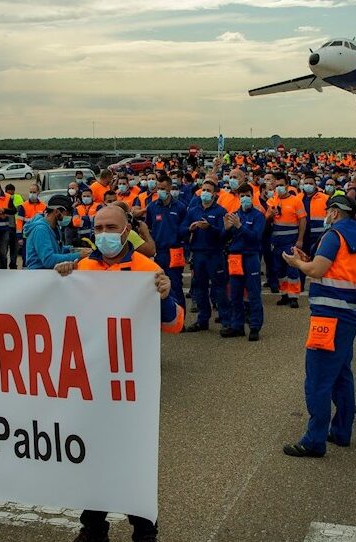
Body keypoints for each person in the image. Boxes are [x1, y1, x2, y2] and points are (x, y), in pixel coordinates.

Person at [54, 205, 183, 542]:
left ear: (127, 231)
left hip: (130, 383)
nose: (103, 234)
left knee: (132, 458)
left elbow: (174, 324)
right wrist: (60, 279)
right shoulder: (82, 268)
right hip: (91, 379)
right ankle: (94, 526)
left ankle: (144, 529)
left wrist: (164, 297)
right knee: (91, 454)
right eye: (98, 228)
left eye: (111, 227)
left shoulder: (148, 269)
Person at [280, 195, 356, 458]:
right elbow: (334, 268)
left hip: (329, 316)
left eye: (328, 210)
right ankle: (341, 431)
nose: (326, 215)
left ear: (335, 212)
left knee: (318, 379)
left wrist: (298, 263)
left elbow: (317, 270)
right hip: (348, 312)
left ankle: (314, 440)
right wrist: (309, 259)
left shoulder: (334, 236)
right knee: (341, 375)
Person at [181, 180, 230, 333]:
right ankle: (202, 320)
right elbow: (181, 229)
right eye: (203, 190)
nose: (205, 193)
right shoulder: (193, 211)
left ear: (214, 194)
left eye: (208, 190)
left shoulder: (221, 211)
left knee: (220, 289)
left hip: (215, 255)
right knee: (200, 289)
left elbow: (224, 234)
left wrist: (210, 228)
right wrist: (189, 229)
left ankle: (226, 321)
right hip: (198, 255)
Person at [222, 183, 266, 341]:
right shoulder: (233, 215)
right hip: (235, 258)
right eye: (242, 196)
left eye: (248, 195)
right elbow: (223, 238)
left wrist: (239, 226)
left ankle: (254, 327)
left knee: (253, 293)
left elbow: (255, 237)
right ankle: (237, 326)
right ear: (238, 197)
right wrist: (226, 229)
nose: (245, 198)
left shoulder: (258, 216)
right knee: (235, 294)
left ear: (252, 197)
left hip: (250, 257)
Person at [146, 177, 188, 308]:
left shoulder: (180, 207)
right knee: (157, 285)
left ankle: (179, 316)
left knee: (175, 285)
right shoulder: (152, 207)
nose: (160, 191)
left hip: (175, 251)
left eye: (163, 188)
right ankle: (162, 315)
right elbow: (148, 228)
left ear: (170, 188)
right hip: (158, 252)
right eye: (158, 188)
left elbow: (184, 230)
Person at [265, 180, 307, 308]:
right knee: (279, 269)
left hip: (290, 241)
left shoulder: (296, 201)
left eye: (281, 185)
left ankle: (293, 296)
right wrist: (270, 215)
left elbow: (303, 220)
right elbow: (266, 219)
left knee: (292, 268)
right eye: (277, 185)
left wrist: (300, 239)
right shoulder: (272, 201)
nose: (279, 188)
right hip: (276, 242)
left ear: (287, 186)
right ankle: (284, 295)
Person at [24, 194, 87, 270]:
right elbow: (49, 260)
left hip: (50, 272)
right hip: (38, 273)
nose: (69, 217)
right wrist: (79, 255)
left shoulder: (55, 227)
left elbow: (56, 248)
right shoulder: (41, 230)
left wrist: (73, 249)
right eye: (68, 214)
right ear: (56, 211)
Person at [17, 184, 48, 267]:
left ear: (38, 192)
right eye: (30, 192)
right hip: (27, 236)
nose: (32, 194)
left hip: (39, 235)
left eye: (34, 192)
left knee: (39, 254)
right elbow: (19, 222)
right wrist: (19, 237)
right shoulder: (23, 206)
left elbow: (46, 222)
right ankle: (25, 269)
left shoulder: (44, 206)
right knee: (26, 255)